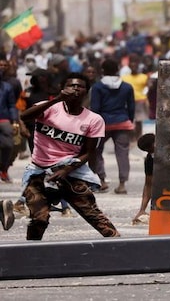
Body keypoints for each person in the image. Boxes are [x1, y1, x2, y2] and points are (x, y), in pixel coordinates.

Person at [20, 72, 119, 240]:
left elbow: (88, 152)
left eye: (80, 86)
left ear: (86, 92)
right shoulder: (48, 107)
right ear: (62, 89)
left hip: (70, 172)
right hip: (39, 172)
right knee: (39, 218)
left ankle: (121, 249)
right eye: (71, 85)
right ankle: (31, 253)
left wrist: (66, 170)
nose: (75, 89)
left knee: (94, 215)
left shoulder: (93, 120)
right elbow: (24, 116)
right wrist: (57, 99)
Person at [90, 60, 136, 195]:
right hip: (122, 122)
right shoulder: (127, 87)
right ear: (117, 70)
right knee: (122, 153)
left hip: (102, 123)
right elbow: (131, 107)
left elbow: (95, 108)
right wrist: (129, 121)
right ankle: (122, 184)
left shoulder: (98, 87)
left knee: (96, 151)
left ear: (102, 71)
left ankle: (102, 179)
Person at [133, 133, 154, 224]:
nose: (152, 153)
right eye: (150, 151)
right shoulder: (150, 159)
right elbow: (148, 184)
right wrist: (142, 209)